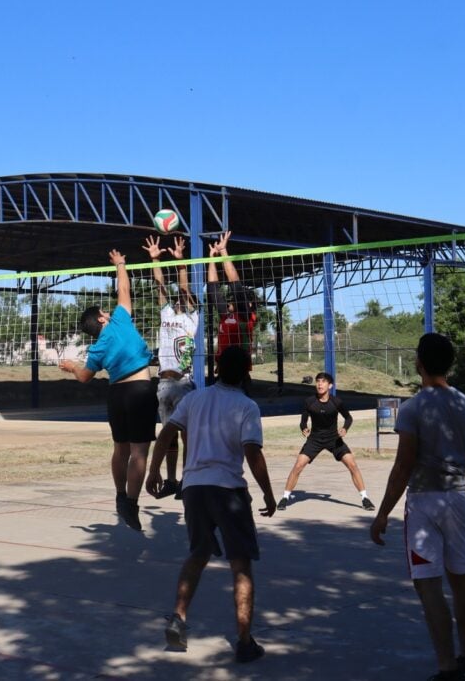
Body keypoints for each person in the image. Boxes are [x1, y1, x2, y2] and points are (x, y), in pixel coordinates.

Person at [370, 333, 465, 681]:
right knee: (462, 581)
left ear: (418, 363)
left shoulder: (413, 408)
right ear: (450, 364)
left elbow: (403, 466)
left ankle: (446, 666)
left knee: (428, 586)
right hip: (457, 498)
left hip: (424, 502)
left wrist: (382, 513)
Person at [145, 345, 277, 664]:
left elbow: (166, 435)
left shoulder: (194, 398)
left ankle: (178, 619)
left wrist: (154, 472)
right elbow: (252, 454)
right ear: (247, 372)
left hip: (194, 489)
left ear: (216, 369)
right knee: (241, 564)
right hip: (227, 489)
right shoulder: (246, 406)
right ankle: (244, 641)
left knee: (198, 554)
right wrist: (269, 494)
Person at [60, 249, 157, 532]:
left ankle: (118, 494)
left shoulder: (97, 349)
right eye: (103, 311)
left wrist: (72, 367)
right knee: (139, 453)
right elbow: (124, 289)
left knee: (121, 449)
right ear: (102, 318)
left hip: (116, 396)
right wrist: (120, 265)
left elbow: (85, 378)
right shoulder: (119, 320)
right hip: (139, 390)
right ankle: (131, 503)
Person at [142, 234, 198, 499]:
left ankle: (187, 481)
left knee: (187, 436)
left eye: (185, 301)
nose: (180, 301)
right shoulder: (167, 314)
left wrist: (181, 265)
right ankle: (172, 480)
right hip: (165, 385)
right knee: (168, 436)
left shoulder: (191, 320)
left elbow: (183, 289)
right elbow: (160, 286)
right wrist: (155, 259)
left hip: (185, 384)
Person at [277, 371, 375, 511]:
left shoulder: (336, 402)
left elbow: (348, 418)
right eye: (318, 381)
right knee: (298, 465)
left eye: (323, 382)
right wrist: (304, 428)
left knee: (352, 464)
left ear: (330, 385)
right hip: (315, 439)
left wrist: (345, 429)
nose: (319, 384)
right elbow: (303, 421)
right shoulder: (309, 402)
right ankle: (285, 498)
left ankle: (365, 498)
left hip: (333, 439)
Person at [206, 231, 257, 391]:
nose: (232, 299)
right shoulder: (226, 316)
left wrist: (223, 251)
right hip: (222, 374)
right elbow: (213, 290)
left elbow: (235, 284)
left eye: (238, 300)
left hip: (240, 375)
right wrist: (212, 259)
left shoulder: (246, 316)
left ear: (248, 304)